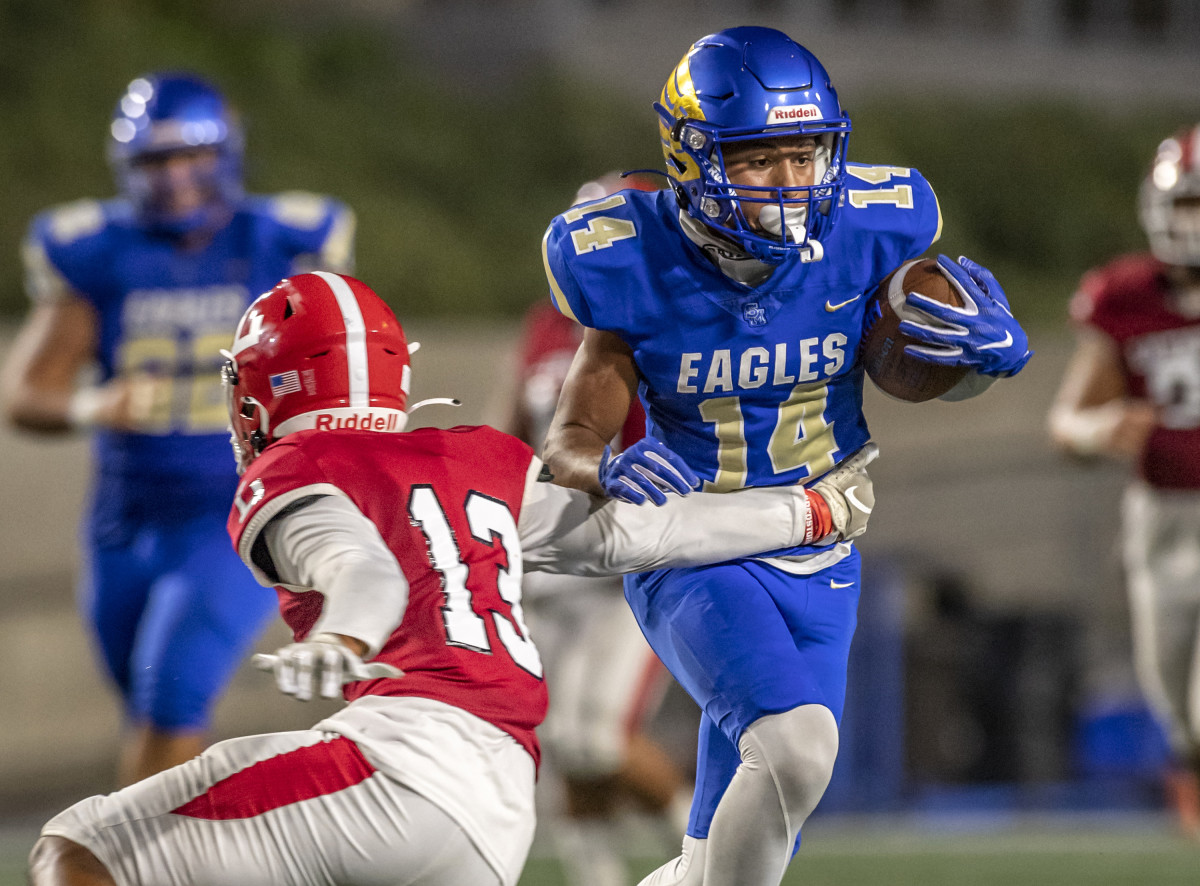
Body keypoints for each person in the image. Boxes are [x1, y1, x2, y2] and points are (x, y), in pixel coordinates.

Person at [29, 271, 879, 886]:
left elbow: (356, 566)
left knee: (76, 848)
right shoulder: (481, 458)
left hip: (399, 768)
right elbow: (645, 535)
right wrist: (806, 516)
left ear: (269, 389)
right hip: (500, 803)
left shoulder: (291, 467)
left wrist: (345, 632)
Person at [540, 26, 1032, 886]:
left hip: (822, 537)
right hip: (697, 542)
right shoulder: (631, 259)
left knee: (743, 856)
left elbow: (909, 362)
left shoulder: (872, 228)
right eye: (760, 160)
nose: (792, 184)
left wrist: (978, 364)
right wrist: (600, 466)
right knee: (799, 749)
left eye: (806, 156)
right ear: (691, 160)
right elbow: (573, 433)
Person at [0, 72, 355, 785]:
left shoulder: (279, 242)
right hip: (124, 523)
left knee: (172, 700)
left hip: (236, 514)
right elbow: (25, 393)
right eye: (155, 162)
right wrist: (90, 408)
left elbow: (351, 359)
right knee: (148, 711)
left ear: (226, 153)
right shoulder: (101, 251)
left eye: (189, 157)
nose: (175, 179)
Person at [500, 171, 695, 886]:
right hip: (557, 551)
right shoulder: (546, 324)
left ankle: (710, 852)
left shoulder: (675, 320)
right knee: (561, 737)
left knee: (601, 738)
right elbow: (519, 427)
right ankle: (597, 878)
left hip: (632, 553)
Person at [1048, 124, 1200, 838]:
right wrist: (1098, 430)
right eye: (1189, 204)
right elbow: (1066, 423)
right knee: (1179, 715)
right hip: (1163, 522)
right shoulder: (1128, 295)